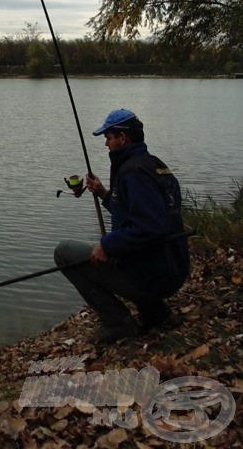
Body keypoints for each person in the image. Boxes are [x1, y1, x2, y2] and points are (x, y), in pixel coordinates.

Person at [54, 108, 190, 344]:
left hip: (154, 276)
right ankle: (154, 312)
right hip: (173, 267)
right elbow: (140, 215)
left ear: (122, 138)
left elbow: (150, 226)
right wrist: (104, 195)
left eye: (108, 137)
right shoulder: (154, 164)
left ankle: (118, 323)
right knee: (117, 251)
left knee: (64, 252)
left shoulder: (132, 173)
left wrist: (107, 245)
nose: (106, 144)